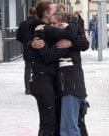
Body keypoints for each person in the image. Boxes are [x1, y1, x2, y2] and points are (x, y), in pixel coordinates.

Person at [27, 1, 82, 135]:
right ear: (46, 14)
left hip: (59, 79)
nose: (57, 9)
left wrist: (71, 40)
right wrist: (73, 24)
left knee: (63, 120)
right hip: (43, 77)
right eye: (54, 8)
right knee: (50, 122)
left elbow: (84, 43)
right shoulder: (41, 29)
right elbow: (44, 55)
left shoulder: (52, 29)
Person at [16, 7, 37, 95]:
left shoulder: (23, 24)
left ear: (28, 13)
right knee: (38, 69)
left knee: (28, 69)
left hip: (27, 48)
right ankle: (36, 88)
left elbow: (18, 37)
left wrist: (25, 42)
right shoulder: (38, 24)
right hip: (37, 49)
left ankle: (27, 89)